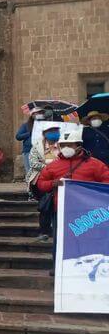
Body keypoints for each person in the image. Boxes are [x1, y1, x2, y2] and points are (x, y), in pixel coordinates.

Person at [36, 128, 109, 274]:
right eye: (63, 145)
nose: (66, 148)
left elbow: (106, 181)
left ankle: (88, 268)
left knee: (88, 239)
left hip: (87, 212)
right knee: (59, 241)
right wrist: (53, 183)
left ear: (79, 145)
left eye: (70, 144)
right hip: (61, 211)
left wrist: (92, 192)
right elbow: (41, 184)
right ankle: (58, 267)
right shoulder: (53, 166)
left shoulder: (95, 164)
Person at [27, 124, 62, 241]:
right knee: (45, 206)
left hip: (60, 181)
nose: (54, 133)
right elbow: (33, 163)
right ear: (44, 134)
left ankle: (59, 231)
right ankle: (44, 231)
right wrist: (51, 167)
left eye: (55, 130)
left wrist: (51, 165)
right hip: (41, 181)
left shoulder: (64, 146)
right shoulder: (37, 147)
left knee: (59, 207)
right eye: (51, 131)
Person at [16, 109, 44, 174]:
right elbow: (18, 136)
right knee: (30, 171)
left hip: (42, 151)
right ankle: (30, 183)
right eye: (35, 113)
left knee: (41, 171)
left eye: (38, 113)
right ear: (32, 115)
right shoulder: (26, 125)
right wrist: (30, 133)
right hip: (28, 151)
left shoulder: (44, 124)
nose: (36, 115)